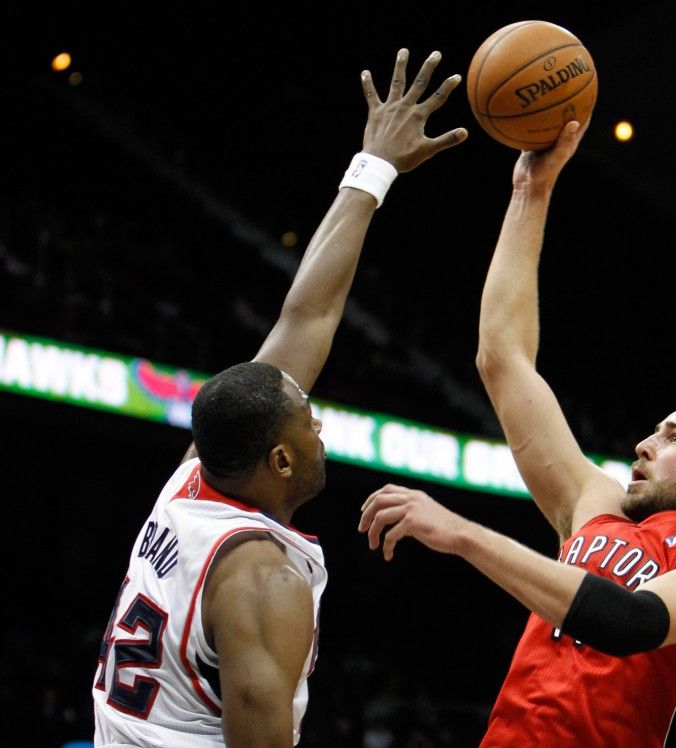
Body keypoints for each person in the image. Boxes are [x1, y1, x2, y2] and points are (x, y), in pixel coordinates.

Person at [92, 48, 467, 747]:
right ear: (281, 461)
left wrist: (374, 168)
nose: (318, 423)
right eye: (308, 425)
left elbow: (306, 318)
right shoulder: (264, 581)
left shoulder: (193, 479)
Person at [358, 119, 676, 747]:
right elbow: (501, 357)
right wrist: (531, 190)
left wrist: (464, 534)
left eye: (675, 436)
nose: (645, 443)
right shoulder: (593, 507)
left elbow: (629, 622)